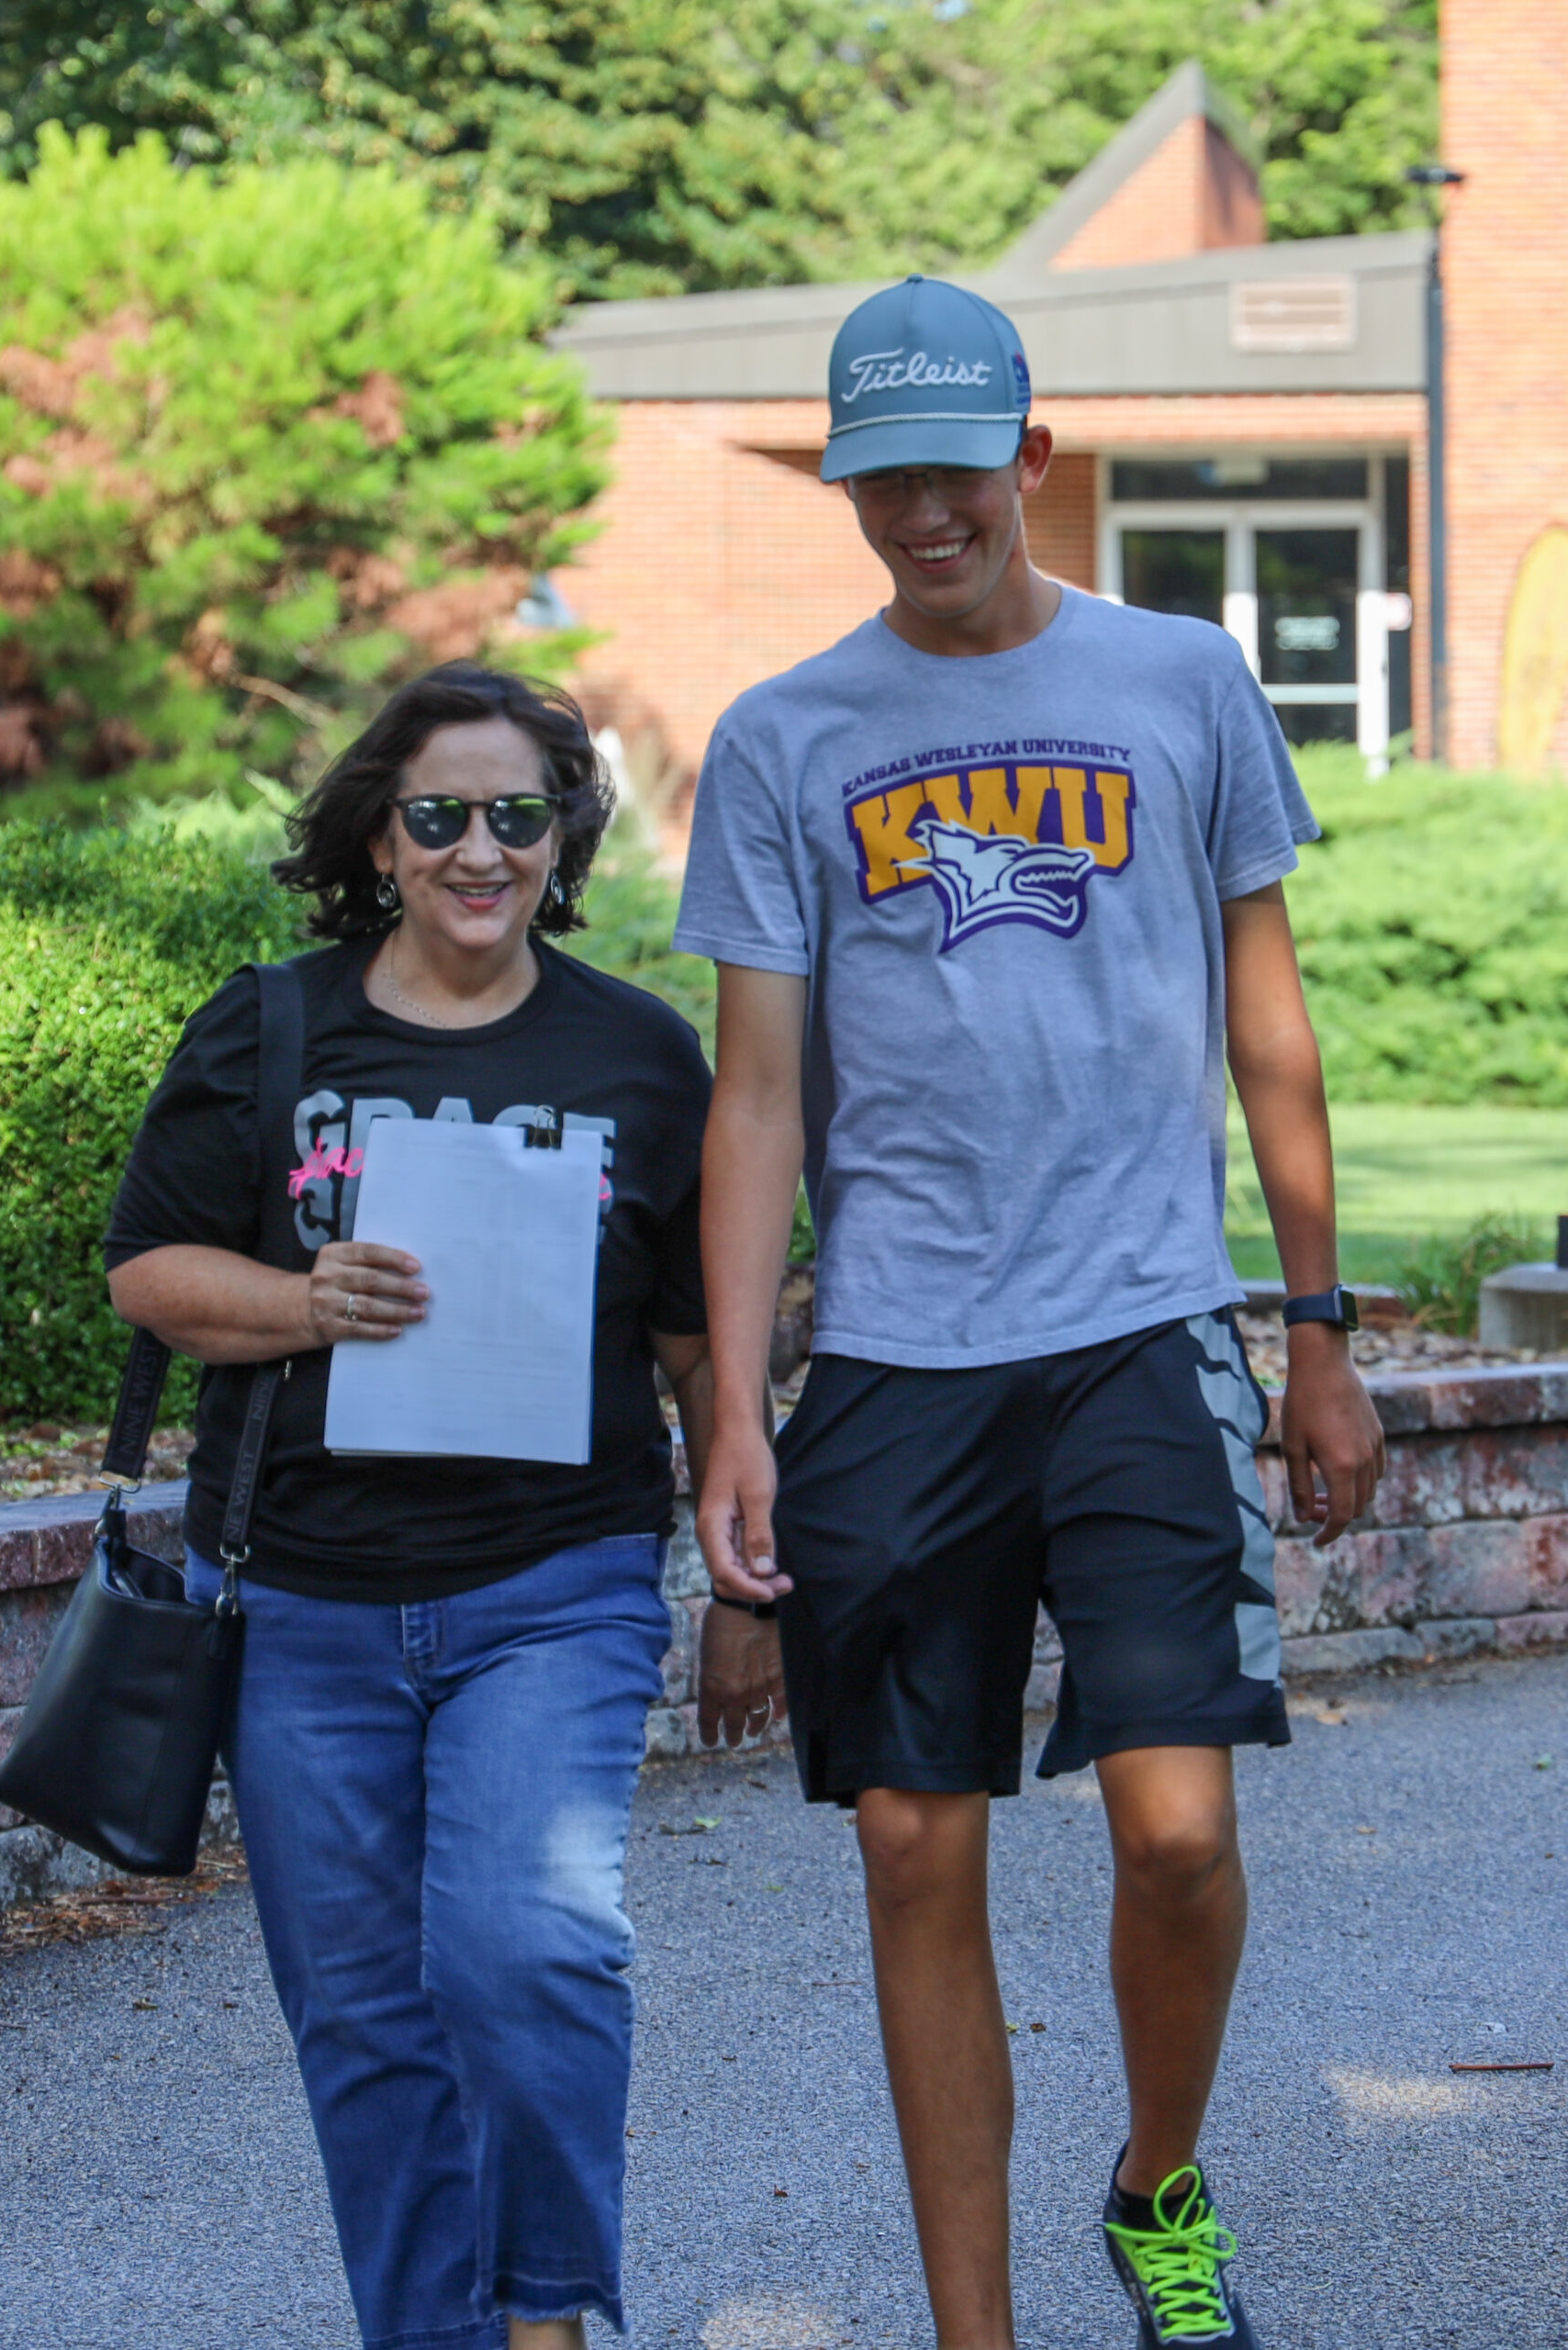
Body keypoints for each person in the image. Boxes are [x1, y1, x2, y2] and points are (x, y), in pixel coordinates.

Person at [676, 276, 1386, 2350]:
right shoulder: (786, 736)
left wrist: (1320, 1323)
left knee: (1176, 1831)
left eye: (953, 471)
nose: (920, 514)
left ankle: (1158, 2177)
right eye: (880, 479)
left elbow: (1271, 1017)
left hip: (1145, 1326)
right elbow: (756, 1095)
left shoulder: (1181, 679)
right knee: (916, 1848)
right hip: (898, 1357)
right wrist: (744, 1405)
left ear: (1031, 460)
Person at [102, 664, 718, 2350]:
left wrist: (751, 1562)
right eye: (437, 814)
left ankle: (542, 2317)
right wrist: (310, 1302)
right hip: (300, 1602)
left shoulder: (641, 1054)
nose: (476, 849)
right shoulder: (272, 1025)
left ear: (560, 838)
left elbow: (700, 1345)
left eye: (515, 816)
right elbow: (144, 1273)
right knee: (367, 2025)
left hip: (556, 1585)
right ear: (380, 836)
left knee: (528, 1955)